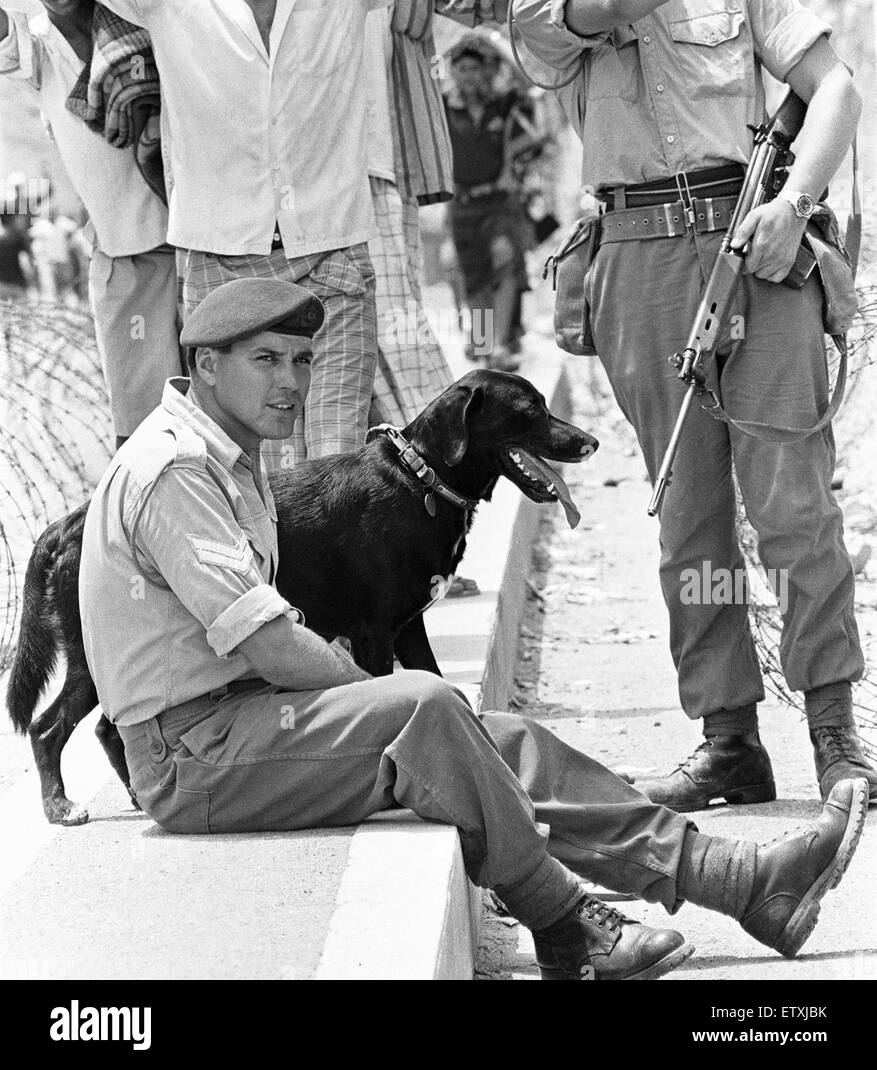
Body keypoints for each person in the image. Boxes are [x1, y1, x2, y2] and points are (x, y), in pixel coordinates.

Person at [75, 272, 867, 981]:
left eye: (302, 359)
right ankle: (565, 925)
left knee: (495, 736)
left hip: (241, 724)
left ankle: (739, 880)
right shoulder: (177, 468)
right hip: (193, 755)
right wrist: (382, 699)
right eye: (266, 361)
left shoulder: (225, 455)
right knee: (422, 711)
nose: (292, 382)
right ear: (206, 367)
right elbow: (266, 642)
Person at [0, 0, 500, 466]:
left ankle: (319, 587)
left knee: (331, 461)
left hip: (332, 254)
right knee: (250, 468)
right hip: (221, 264)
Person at [510, 0, 877, 809]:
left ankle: (838, 735)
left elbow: (833, 85)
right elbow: (612, 1)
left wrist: (792, 202)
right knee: (689, 516)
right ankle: (726, 737)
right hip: (637, 260)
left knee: (794, 499)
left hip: (754, 242)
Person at [289, 0, 547, 426]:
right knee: (310, 349)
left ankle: (428, 476)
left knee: (395, 332)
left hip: (377, 167)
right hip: (292, 175)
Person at [0, 0, 180, 443]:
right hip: (126, 258)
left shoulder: (138, 21)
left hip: (201, 244)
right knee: (147, 431)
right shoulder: (37, 48)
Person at [443, 32, 540, 369]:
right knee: (476, 277)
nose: (469, 75)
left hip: (498, 201)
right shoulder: (444, 107)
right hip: (462, 204)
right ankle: (484, 344)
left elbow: (530, 84)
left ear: (485, 71)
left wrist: (494, 40)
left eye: (475, 68)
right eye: (462, 68)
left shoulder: (501, 102)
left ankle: (499, 344)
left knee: (504, 260)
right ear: (453, 71)